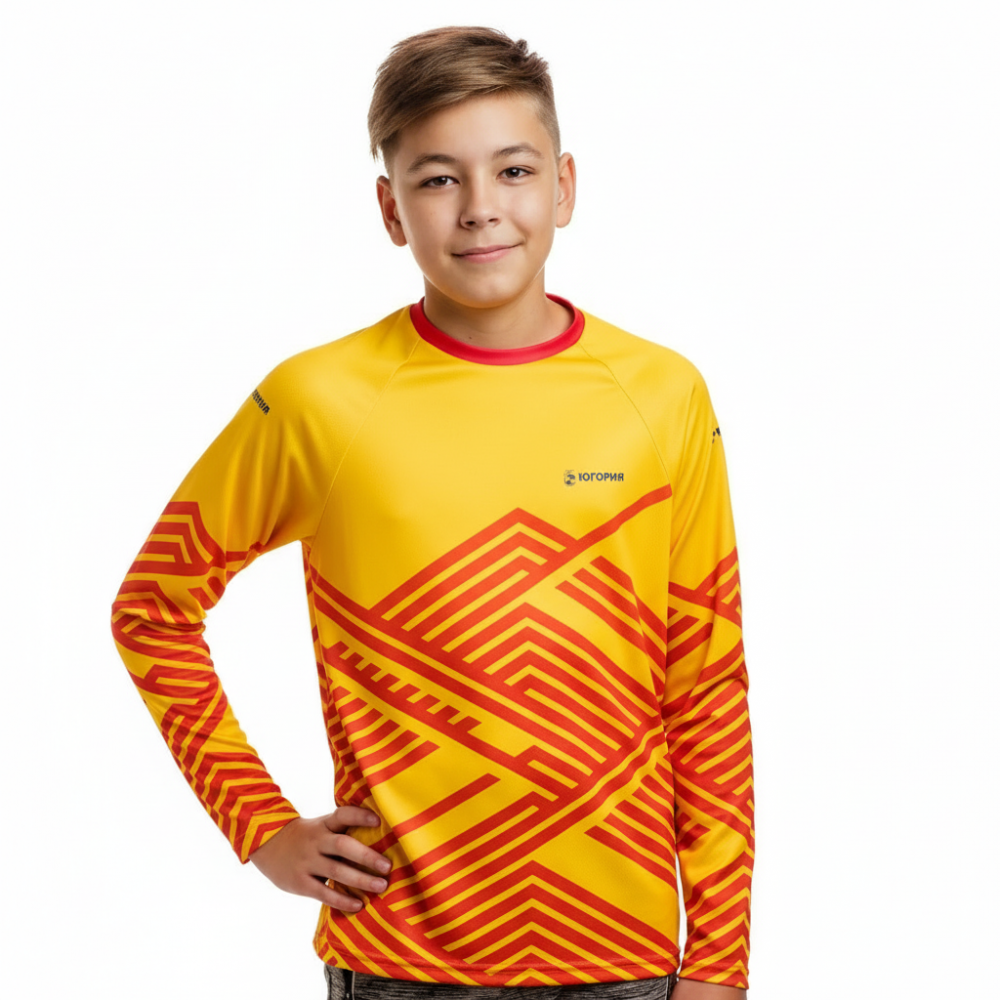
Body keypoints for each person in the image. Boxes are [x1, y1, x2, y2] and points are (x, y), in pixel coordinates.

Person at [111, 26, 753, 999]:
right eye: (439, 179)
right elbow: (152, 607)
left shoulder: (662, 394)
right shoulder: (321, 400)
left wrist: (720, 957)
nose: (481, 206)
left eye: (513, 170)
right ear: (390, 208)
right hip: (397, 956)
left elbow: (704, 680)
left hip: (624, 959)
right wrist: (259, 824)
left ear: (564, 187)